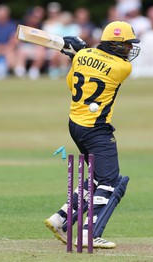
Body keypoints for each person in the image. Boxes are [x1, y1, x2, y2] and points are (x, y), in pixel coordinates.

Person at [44, 21, 141, 249]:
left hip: (76, 125)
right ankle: (89, 234)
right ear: (115, 46)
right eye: (126, 45)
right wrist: (83, 49)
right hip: (97, 130)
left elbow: (71, 83)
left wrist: (78, 53)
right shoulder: (122, 68)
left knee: (97, 177)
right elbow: (102, 62)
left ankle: (59, 219)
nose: (129, 49)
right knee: (110, 181)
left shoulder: (81, 57)